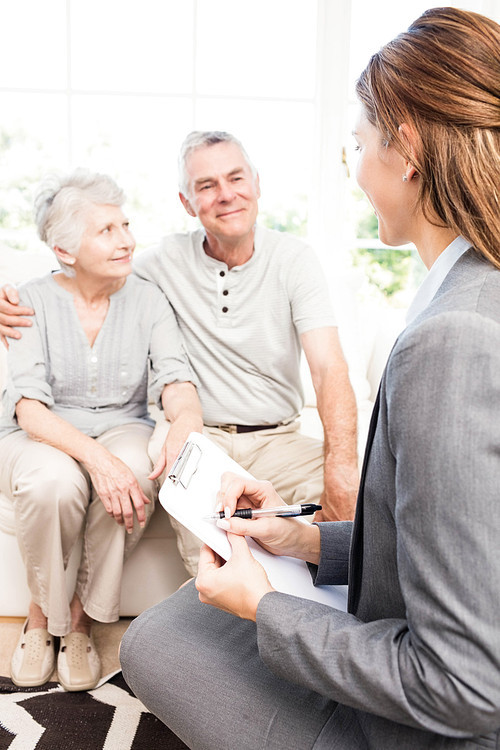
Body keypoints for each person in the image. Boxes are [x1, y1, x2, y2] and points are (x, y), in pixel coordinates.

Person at [119, 7, 500, 748]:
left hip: (421, 728)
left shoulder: (449, 342)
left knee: (156, 643)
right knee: (185, 614)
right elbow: (461, 544)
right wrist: (307, 544)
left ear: (408, 150)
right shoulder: (473, 293)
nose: (354, 166)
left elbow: (467, 686)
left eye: (357, 143)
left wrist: (267, 609)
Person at [0, 131, 360, 577]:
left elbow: (329, 369)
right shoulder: (161, 262)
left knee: (365, 495)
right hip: (197, 432)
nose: (226, 195)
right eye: (207, 186)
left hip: (278, 437)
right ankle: (217, 617)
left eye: (235, 178)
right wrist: (14, 301)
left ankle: (326, 622)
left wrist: (342, 472)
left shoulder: (295, 260)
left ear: (257, 183)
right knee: (191, 489)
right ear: (188, 203)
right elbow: (88, 267)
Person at [0, 170, 202, 691]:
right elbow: (30, 411)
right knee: (51, 483)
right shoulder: (27, 301)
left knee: (136, 470)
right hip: (40, 432)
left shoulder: (149, 300)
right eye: (106, 230)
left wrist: (185, 418)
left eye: (126, 224)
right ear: (64, 250)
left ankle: (81, 619)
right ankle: (43, 619)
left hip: (123, 425)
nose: (127, 239)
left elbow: (174, 377)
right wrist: (97, 460)